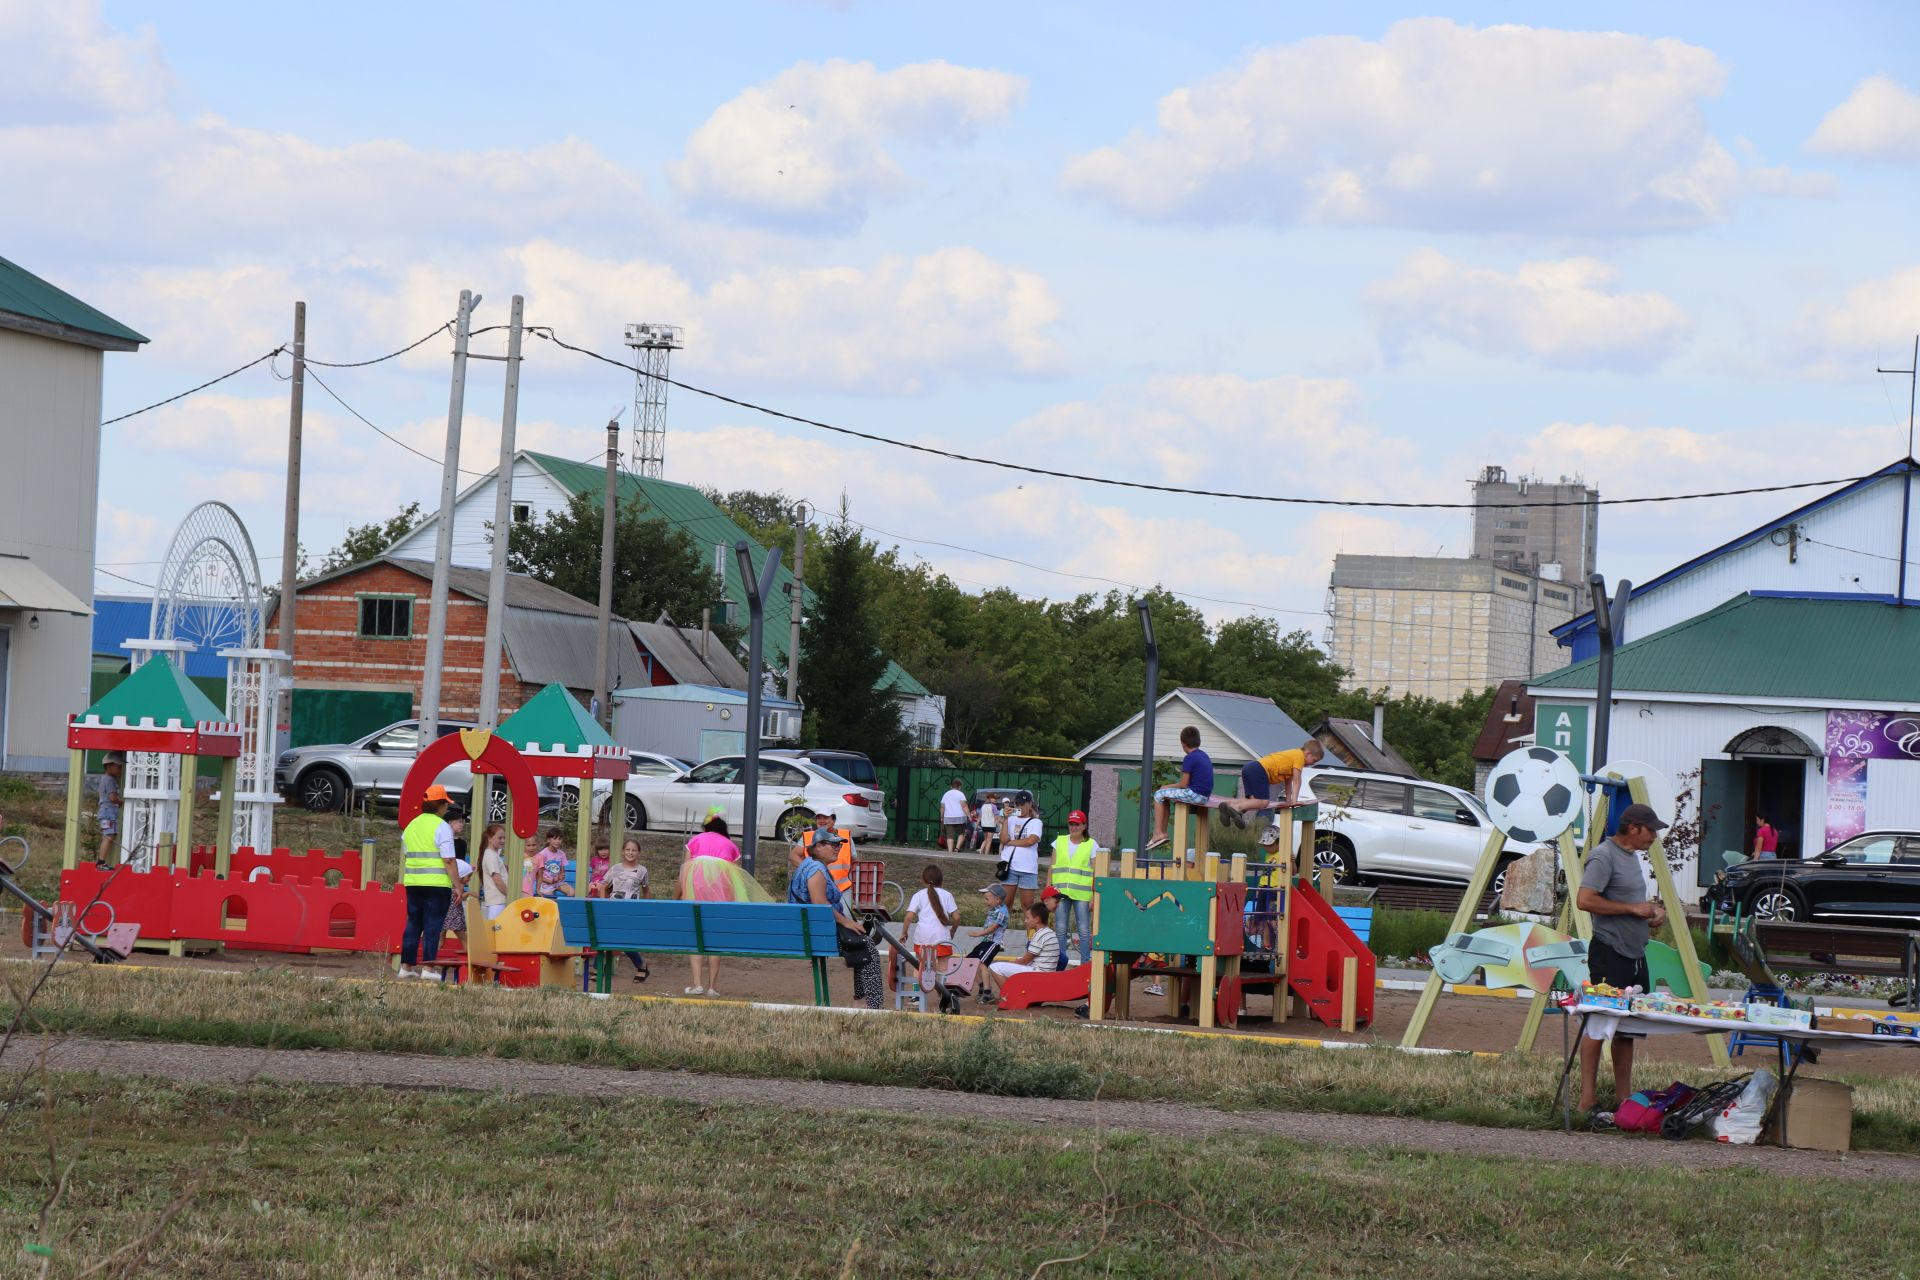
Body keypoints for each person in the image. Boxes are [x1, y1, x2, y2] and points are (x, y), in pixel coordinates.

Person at [1576, 803, 1670, 1124]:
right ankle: (1586, 1101)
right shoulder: (1603, 856)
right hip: (1609, 953)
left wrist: (1651, 915)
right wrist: (1632, 911)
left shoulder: (1630, 858)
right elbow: (1585, 900)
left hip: (1634, 954)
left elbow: (1631, 904)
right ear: (1632, 828)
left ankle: (1623, 1100)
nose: (1654, 837)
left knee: (1626, 1028)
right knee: (1598, 1023)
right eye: (1651, 830)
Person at [788, 827, 881, 1008]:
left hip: (809, 932)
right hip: (815, 937)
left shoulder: (808, 865)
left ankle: (862, 1002)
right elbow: (820, 904)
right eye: (834, 845)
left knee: (862, 945)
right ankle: (872, 1005)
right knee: (867, 947)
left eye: (839, 845)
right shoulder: (816, 869)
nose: (838, 848)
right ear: (818, 847)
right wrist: (846, 921)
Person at [677, 815, 769, 996]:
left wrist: (677, 897)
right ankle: (712, 987)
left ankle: (697, 984)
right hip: (719, 899)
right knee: (714, 941)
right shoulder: (730, 846)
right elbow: (734, 877)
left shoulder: (696, 840)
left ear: (707, 828)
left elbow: (684, 872)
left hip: (695, 897)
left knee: (696, 940)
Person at [398, 785, 463, 980]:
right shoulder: (442, 826)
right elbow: (449, 860)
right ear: (441, 805)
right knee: (433, 926)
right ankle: (428, 968)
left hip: (413, 882)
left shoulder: (411, 826)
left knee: (413, 924)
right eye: (446, 804)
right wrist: (458, 885)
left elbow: (407, 853)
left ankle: (406, 967)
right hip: (436, 884)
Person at [1216, 740, 1324, 828]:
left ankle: (1228, 804)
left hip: (1249, 767)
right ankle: (1237, 808)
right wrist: (1295, 801)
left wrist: (1289, 801)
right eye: (1314, 760)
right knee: (1264, 803)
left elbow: (1288, 781)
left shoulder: (1292, 757)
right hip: (1259, 769)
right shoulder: (1299, 757)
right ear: (1308, 753)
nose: (1312, 764)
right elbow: (1297, 780)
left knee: (1251, 801)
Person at [1147, 727, 1214, 851]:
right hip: (1205, 796)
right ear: (1198, 741)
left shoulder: (1189, 758)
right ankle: (1163, 833)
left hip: (1195, 794)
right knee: (1164, 796)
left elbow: (1183, 784)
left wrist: (1166, 786)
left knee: (1158, 794)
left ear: (1183, 744)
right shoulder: (1204, 755)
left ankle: (1157, 833)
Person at [981, 902, 1061, 1005]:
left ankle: (1010, 998)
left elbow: (1025, 960)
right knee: (1011, 965)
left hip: (1039, 974)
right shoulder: (1049, 932)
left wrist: (1012, 964)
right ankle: (1022, 996)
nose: (1025, 921)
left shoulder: (1040, 935)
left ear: (1037, 919)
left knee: (995, 967)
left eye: (1028, 918)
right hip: (1045, 972)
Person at [1048, 810, 1097, 967]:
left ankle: (1085, 964)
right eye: (1071, 824)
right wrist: (1048, 890)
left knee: (1083, 930)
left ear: (1084, 826)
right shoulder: (1059, 841)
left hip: (1082, 894)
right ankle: (1061, 963)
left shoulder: (1091, 844)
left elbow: (1097, 872)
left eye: (1077, 824)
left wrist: (1094, 896)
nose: (1073, 827)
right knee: (1060, 929)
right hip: (1060, 892)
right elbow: (1052, 867)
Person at [904, 864, 959, 1000]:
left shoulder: (918, 895)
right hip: (942, 937)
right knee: (943, 968)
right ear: (941, 880)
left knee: (919, 965)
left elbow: (909, 917)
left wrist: (904, 933)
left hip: (922, 937)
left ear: (924, 880)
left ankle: (916, 996)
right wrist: (952, 931)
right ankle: (945, 996)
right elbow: (957, 917)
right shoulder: (947, 895)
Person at [605, 837, 651, 982]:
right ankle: (641, 966)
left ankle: (641, 965)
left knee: (624, 941)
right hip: (614, 909)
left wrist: (645, 908)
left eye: (634, 850)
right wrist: (602, 902)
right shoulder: (615, 869)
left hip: (631, 911)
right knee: (610, 939)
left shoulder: (642, 871)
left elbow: (646, 891)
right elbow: (604, 887)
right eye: (628, 850)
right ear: (622, 852)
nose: (631, 852)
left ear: (639, 853)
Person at [795, 809, 857, 897]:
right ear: (819, 846)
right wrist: (809, 870)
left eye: (826, 817)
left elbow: (855, 863)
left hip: (842, 888)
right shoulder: (808, 836)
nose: (822, 821)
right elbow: (793, 856)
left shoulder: (845, 836)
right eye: (819, 818)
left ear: (834, 820)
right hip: (818, 885)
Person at [1001, 791, 1044, 911]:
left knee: (1028, 905)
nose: (1020, 807)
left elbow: (1030, 841)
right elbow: (1003, 839)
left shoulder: (1036, 822)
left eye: (1023, 804)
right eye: (1018, 804)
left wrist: (1010, 842)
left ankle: (1031, 929)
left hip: (1028, 868)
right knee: (1006, 903)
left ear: (1030, 804)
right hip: (1009, 866)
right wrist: (1005, 819)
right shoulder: (1010, 820)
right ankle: (1000, 929)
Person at [477, 822, 511, 921]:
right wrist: (510, 894)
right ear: (489, 838)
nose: (503, 840)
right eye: (500, 838)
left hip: (498, 900)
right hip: (498, 900)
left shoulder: (492, 855)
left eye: (504, 838)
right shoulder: (491, 856)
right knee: (496, 931)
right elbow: (497, 880)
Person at [522, 827, 570, 896]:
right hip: (545, 884)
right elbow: (539, 876)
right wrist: (548, 881)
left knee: (571, 892)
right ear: (548, 840)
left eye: (559, 839)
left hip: (555, 883)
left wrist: (560, 876)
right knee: (548, 895)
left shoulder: (540, 857)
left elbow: (540, 875)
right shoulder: (542, 854)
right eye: (555, 838)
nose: (531, 848)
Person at [96, 753, 123, 863]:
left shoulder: (106, 779)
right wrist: (121, 801)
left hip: (107, 812)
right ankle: (101, 861)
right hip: (108, 812)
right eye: (119, 767)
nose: (120, 770)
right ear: (109, 766)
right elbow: (112, 797)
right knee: (108, 836)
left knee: (109, 835)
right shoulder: (110, 780)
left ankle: (102, 860)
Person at [939, 777, 969, 851]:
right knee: (961, 833)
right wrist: (969, 816)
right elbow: (964, 806)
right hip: (960, 816)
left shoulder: (946, 794)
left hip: (948, 817)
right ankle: (957, 848)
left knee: (950, 835)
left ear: (952, 786)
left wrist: (942, 817)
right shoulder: (961, 794)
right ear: (959, 786)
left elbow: (942, 807)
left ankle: (950, 851)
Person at [975, 793, 1000, 860]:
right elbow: (996, 817)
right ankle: (986, 855)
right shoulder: (993, 806)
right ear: (990, 799)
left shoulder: (983, 806)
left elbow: (979, 817)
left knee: (986, 839)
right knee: (989, 841)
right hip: (991, 825)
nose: (995, 800)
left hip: (984, 825)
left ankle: (981, 851)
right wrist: (999, 827)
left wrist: (976, 825)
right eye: (994, 798)